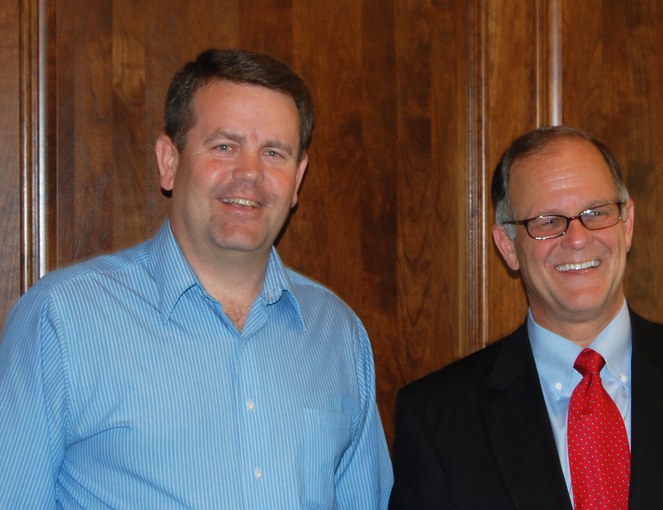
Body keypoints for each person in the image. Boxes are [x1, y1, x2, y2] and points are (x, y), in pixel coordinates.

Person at [0, 48, 392, 509]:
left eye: (273, 152)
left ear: (298, 177)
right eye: (224, 146)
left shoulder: (338, 334)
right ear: (169, 160)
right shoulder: (62, 319)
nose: (250, 173)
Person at [388, 126, 663, 509]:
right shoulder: (438, 421)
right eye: (548, 221)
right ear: (507, 246)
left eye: (596, 212)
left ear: (628, 224)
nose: (577, 238)